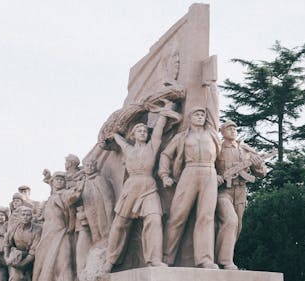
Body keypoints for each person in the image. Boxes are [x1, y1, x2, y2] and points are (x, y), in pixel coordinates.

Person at [103, 102, 177, 272]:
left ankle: (154, 259)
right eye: (140, 131)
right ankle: (110, 261)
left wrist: (164, 113)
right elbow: (118, 139)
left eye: (145, 131)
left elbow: (158, 129)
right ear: (134, 134)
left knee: (154, 219)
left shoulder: (152, 146)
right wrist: (113, 135)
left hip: (148, 186)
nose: (143, 133)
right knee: (120, 224)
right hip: (131, 187)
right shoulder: (128, 149)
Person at [158, 106, 220, 268]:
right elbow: (166, 154)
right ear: (190, 118)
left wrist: (220, 173)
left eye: (202, 115)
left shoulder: (212, 135)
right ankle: (166, 257)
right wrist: (164, 175)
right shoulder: (182, 137)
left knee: (206, 217)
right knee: (178, 215)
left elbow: (220, 157)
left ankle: (205, 259)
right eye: (196, 114)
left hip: (209, 172)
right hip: (189, 172)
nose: (200, 117)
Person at [215, 120, 267, 270]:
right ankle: (225, 261)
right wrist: (216, 176)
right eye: (228, 129)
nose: (232, 131)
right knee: (230, 221)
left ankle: (225, 257)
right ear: (222, 132)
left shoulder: (245, 149)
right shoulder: (217, 148)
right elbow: (207, 165)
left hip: (240, 191)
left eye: (234, 129)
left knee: (237, 227)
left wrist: (257, 164)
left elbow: (262, 172)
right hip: (223, 191)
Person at [32, 172, 83, 281]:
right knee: (45, 259)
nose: (59, 181)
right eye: (57, 179)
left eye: (62, 179)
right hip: (47, 234)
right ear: (53, 182)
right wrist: (48, 179)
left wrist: (80, 187)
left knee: (63, 260)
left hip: (61, 232)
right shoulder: (52, 196)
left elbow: (73, 196)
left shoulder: (65, 193)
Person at [76, 158, 115, 277]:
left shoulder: (99, 179)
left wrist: (110, 216)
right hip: (90, 213)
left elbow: (108, 198)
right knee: (96, 236)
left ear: (95, 166)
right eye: (87, 165)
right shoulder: (83, 181)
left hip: (101, 212)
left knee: (104, 234)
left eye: (91, 164)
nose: (89, 167)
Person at [4, 206, 42, 281]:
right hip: (16, 257)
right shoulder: (14, 227)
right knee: (15, 278)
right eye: (23, 215)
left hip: (32, 259)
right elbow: (6, 243)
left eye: (28, 215)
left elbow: (33, 252)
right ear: (19, 216)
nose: (25, 217)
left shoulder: (37, 229)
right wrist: (6, 257)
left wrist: (22, 265)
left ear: (31, 217)